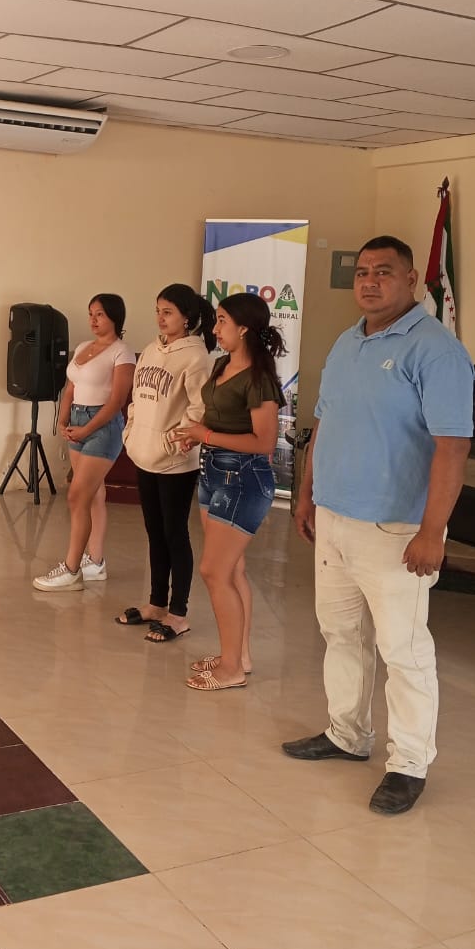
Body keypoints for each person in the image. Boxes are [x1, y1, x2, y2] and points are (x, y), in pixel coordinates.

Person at [283, 236, 473, 815]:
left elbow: (453, 447)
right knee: (341, 633)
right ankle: (347, 733)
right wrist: (307, 494)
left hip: (396, 529)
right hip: (335, 518)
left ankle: (409, 763)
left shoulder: (435, 350)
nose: (369, 281)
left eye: (383, 272)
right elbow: (324, 423)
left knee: (403, 650)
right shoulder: (348, 341)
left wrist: (432, 532)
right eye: (362, 272)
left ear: (411, 279)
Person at [173, 293, 286, 691]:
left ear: (244, 328)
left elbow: (263, 442)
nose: (216, 328)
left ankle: (232, 669)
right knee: (232, 569)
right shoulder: (222, 365)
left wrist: (205, 435)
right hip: (214, 472)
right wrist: (196, 436)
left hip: (243, 479)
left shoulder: (259, 379)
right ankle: (238, 656)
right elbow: (216, 416)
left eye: (222, 321)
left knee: (214, 571)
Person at [117, 285, 216, 642]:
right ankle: (156, 603)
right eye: (158, 310)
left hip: (175, 463)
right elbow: (137, 399)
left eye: (168, 311)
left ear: (186, 317)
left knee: (175, 534)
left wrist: (169, 443)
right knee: (154, 532)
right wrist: (131, 432)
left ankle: (178, 613)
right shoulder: (150, 351)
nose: (160, 318)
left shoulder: (196, 356)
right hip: (143, 454)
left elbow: (200, 409)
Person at [33, 294, 136, 591]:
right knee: (93, 494)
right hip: (77, 421)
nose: (93, 319)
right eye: (91, 313)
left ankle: (71, 569)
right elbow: (70, 388)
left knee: (77, 496)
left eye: (100, 314)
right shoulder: (82, 347)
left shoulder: (122, 352)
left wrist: (87, 428)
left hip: (102, 426)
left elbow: (116, 401)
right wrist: (63, 421)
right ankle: (96, 562)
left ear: (115, 317)